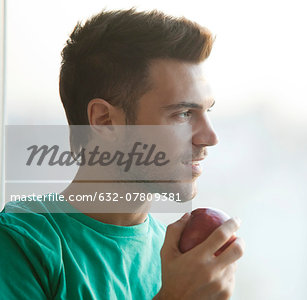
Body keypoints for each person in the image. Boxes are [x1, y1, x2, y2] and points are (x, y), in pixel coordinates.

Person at [0, 9, 244, 300]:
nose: (210, 137)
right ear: (104, 120)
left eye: (207, 111)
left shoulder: (178, 259)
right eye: (182, 114)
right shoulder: (20, 242)